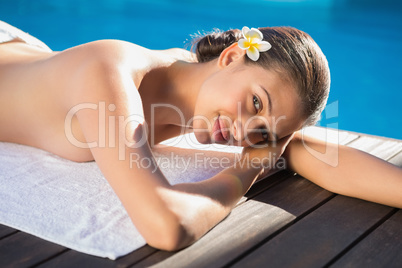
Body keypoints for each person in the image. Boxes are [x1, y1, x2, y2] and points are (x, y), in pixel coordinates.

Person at [0, 21, 401, 251]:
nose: (245, 132)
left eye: (263, 132)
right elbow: (166, 226)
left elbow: (299, 149)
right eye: (256, 103)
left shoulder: (195, 81)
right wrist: (245, 172)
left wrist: (272, 142)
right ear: (230, 58)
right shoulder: (107, 74)